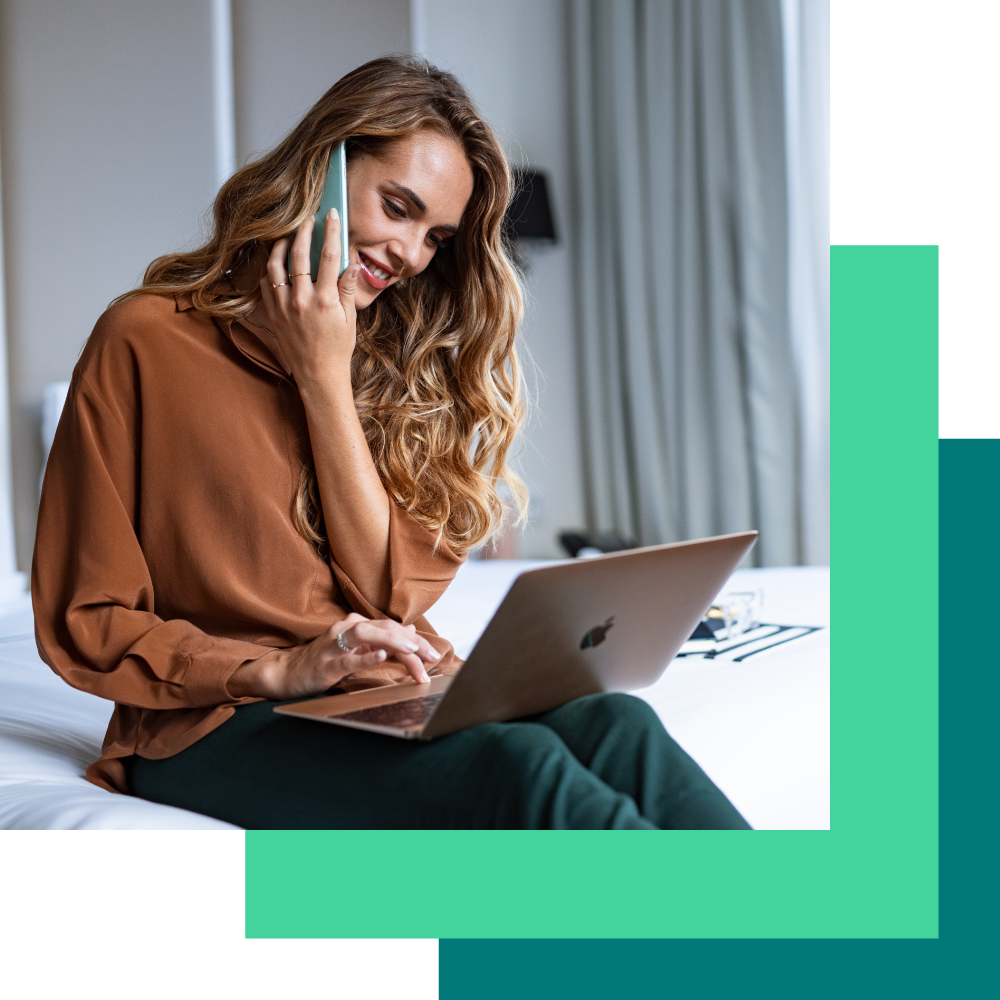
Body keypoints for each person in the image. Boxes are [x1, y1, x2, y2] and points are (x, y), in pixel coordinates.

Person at [32, 57, 749, 830]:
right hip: (216, 720)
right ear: (326, 169)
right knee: (524, 770)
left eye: (436, 236)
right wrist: (278, 666)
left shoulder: (397, 357)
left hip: (383, 691)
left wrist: (324, 377)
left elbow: (392, 599)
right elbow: (88, 614)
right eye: (398, 207)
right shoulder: (145, 339)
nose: (411, 255)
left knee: (618, 725)